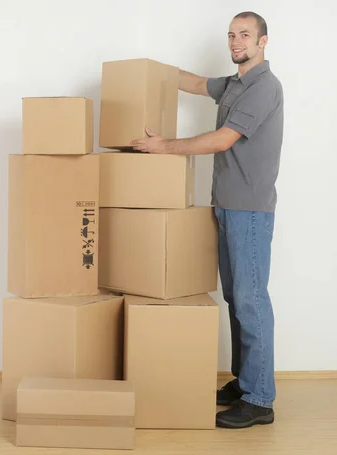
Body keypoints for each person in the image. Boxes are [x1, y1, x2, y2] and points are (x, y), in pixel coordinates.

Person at [130, 11, 283, 429]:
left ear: (263, 41)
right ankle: (244, 380)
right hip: (226, 205)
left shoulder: (263, 87)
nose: (236, 42)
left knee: (252, 301)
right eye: (232, 35)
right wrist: (150, 70)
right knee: (236, 297)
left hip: (249, 209)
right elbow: (197, 84)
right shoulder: (234, 83)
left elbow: (222, 139)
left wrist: (165, 147)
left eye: (245, 35)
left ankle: (260, 400)